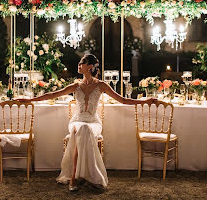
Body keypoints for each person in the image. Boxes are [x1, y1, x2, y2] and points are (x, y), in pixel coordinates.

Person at [17, 54, 156, 191]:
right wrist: (29, 100)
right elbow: (52, 95)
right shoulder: (75, 86)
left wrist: (145, 101)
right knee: (82, 128)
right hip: (77, 120)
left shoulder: (102, 85)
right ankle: (78, 177)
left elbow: (123, 100)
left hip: (94, 122)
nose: (78, 65)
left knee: (85, 130)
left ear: (89, 67)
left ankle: (76, 178)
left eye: (81, 63)